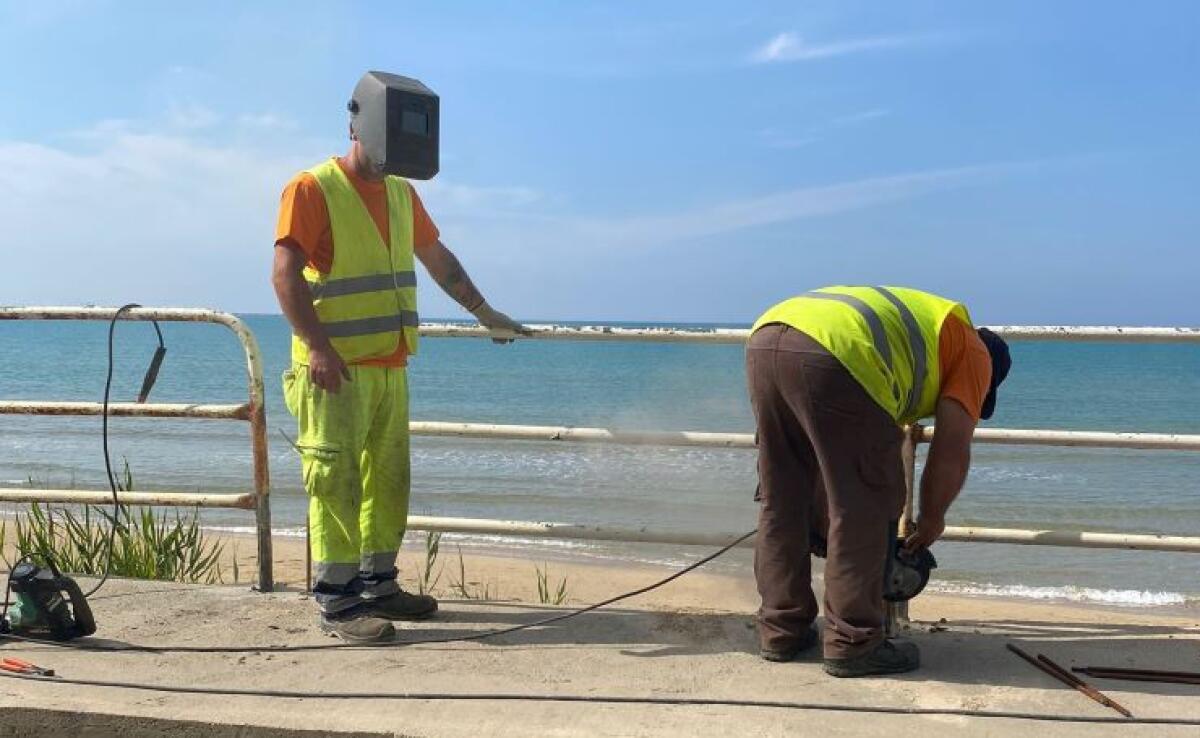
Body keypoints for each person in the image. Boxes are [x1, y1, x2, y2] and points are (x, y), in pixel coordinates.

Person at [272, 75, 529, 643]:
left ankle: (378, 584)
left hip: (390, 366)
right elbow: (283, 274)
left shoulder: (399, 192)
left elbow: (437, 258)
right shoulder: (312, 188)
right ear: (356, 124)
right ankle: (339, 605)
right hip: (333, 371)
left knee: (388, 482)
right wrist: (316, 345)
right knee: (335, 482)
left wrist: (486, 313)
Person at [745, 285, 1010, 677]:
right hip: (841, 352)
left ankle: (782, 628)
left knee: (783, 498)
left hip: (767, 338)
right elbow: (951, 447)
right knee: (865, 505)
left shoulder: (932, 329)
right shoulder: (975, 355)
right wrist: (933, 517)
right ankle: (853, 642)